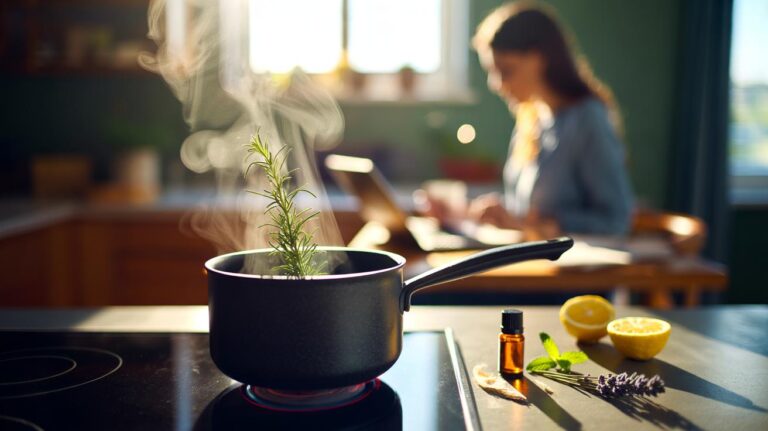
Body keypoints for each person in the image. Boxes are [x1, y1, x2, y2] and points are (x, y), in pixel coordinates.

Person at [424, 2, 634, 237]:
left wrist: (546, 225)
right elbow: (525, 210)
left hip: (569, 268)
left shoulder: (588, 120)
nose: (497, 85)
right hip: (527, 258)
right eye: (492, 72)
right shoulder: (532, 118)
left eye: (506, 71)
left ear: (539, 59)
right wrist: (466, 212)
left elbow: (616, 220)